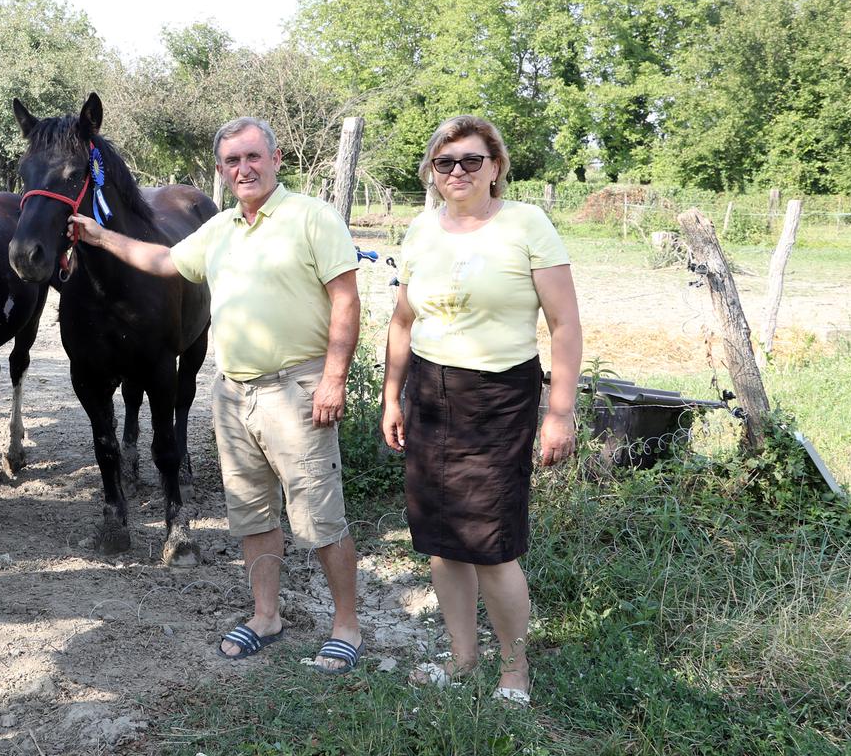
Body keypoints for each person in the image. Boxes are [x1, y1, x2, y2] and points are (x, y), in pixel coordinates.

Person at [69, 116, 365, 674]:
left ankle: (346, 625)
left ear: (276, 160)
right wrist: (101, 235)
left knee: (320, 517)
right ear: (223, 172)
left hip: (297, 387)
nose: (243, 169)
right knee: (252, 516)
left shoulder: (312, 218)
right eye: (232, 162)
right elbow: (161, 262)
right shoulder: (221, 227)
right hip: (233, 395)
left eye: (253, 157)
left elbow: (346, 302)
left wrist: (333, 378)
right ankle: (266, 616)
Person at [381, 115, 582, 704]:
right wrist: (392, 395)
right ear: (432, 172)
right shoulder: (420, 231)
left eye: (472, 160)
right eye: (446, 163)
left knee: (492, 542)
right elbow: (401, 321)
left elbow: (565, 324)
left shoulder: (526, 225)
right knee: (442, 541)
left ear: (495, 164)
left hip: (498, 396)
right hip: (429, 393)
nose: (459, 172)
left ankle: (514, 671)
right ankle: (464, 657)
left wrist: (560, 412)